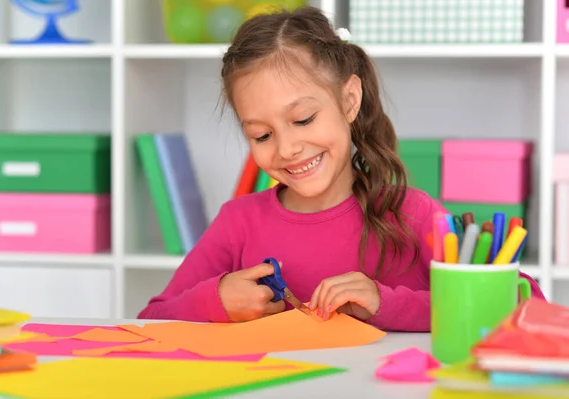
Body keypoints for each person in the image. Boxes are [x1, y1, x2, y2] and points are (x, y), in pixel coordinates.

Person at [138, 6, 545, 331]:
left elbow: (525, 303)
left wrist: (386, 304)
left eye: (303, 120)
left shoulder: (410, 214)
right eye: (261, 135)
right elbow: (150, 320)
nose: (288, 148)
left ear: (349, 100)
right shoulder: (238, 221)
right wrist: (217, 300)